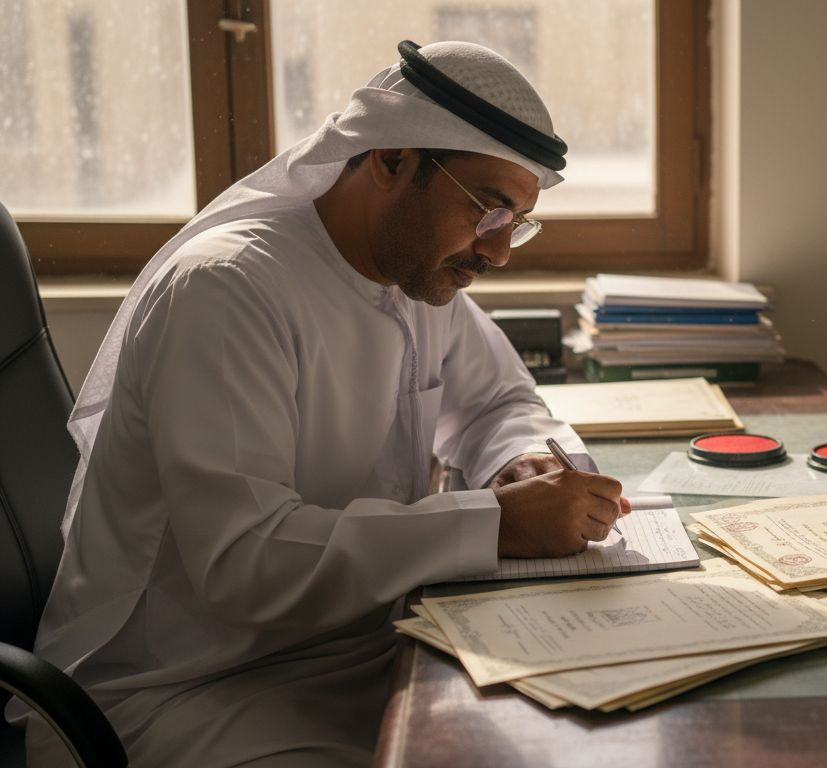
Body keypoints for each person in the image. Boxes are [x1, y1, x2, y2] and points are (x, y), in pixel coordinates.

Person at [9, 41, 630, 767]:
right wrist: (492, 524)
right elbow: (248, 561)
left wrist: (519, 461)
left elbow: (497, 401)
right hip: (190, 690)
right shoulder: (229, 289)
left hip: (365, 643)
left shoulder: (419, 274)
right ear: (391, 159)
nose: (497, 252)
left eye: (514, 223)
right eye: (487, 211)